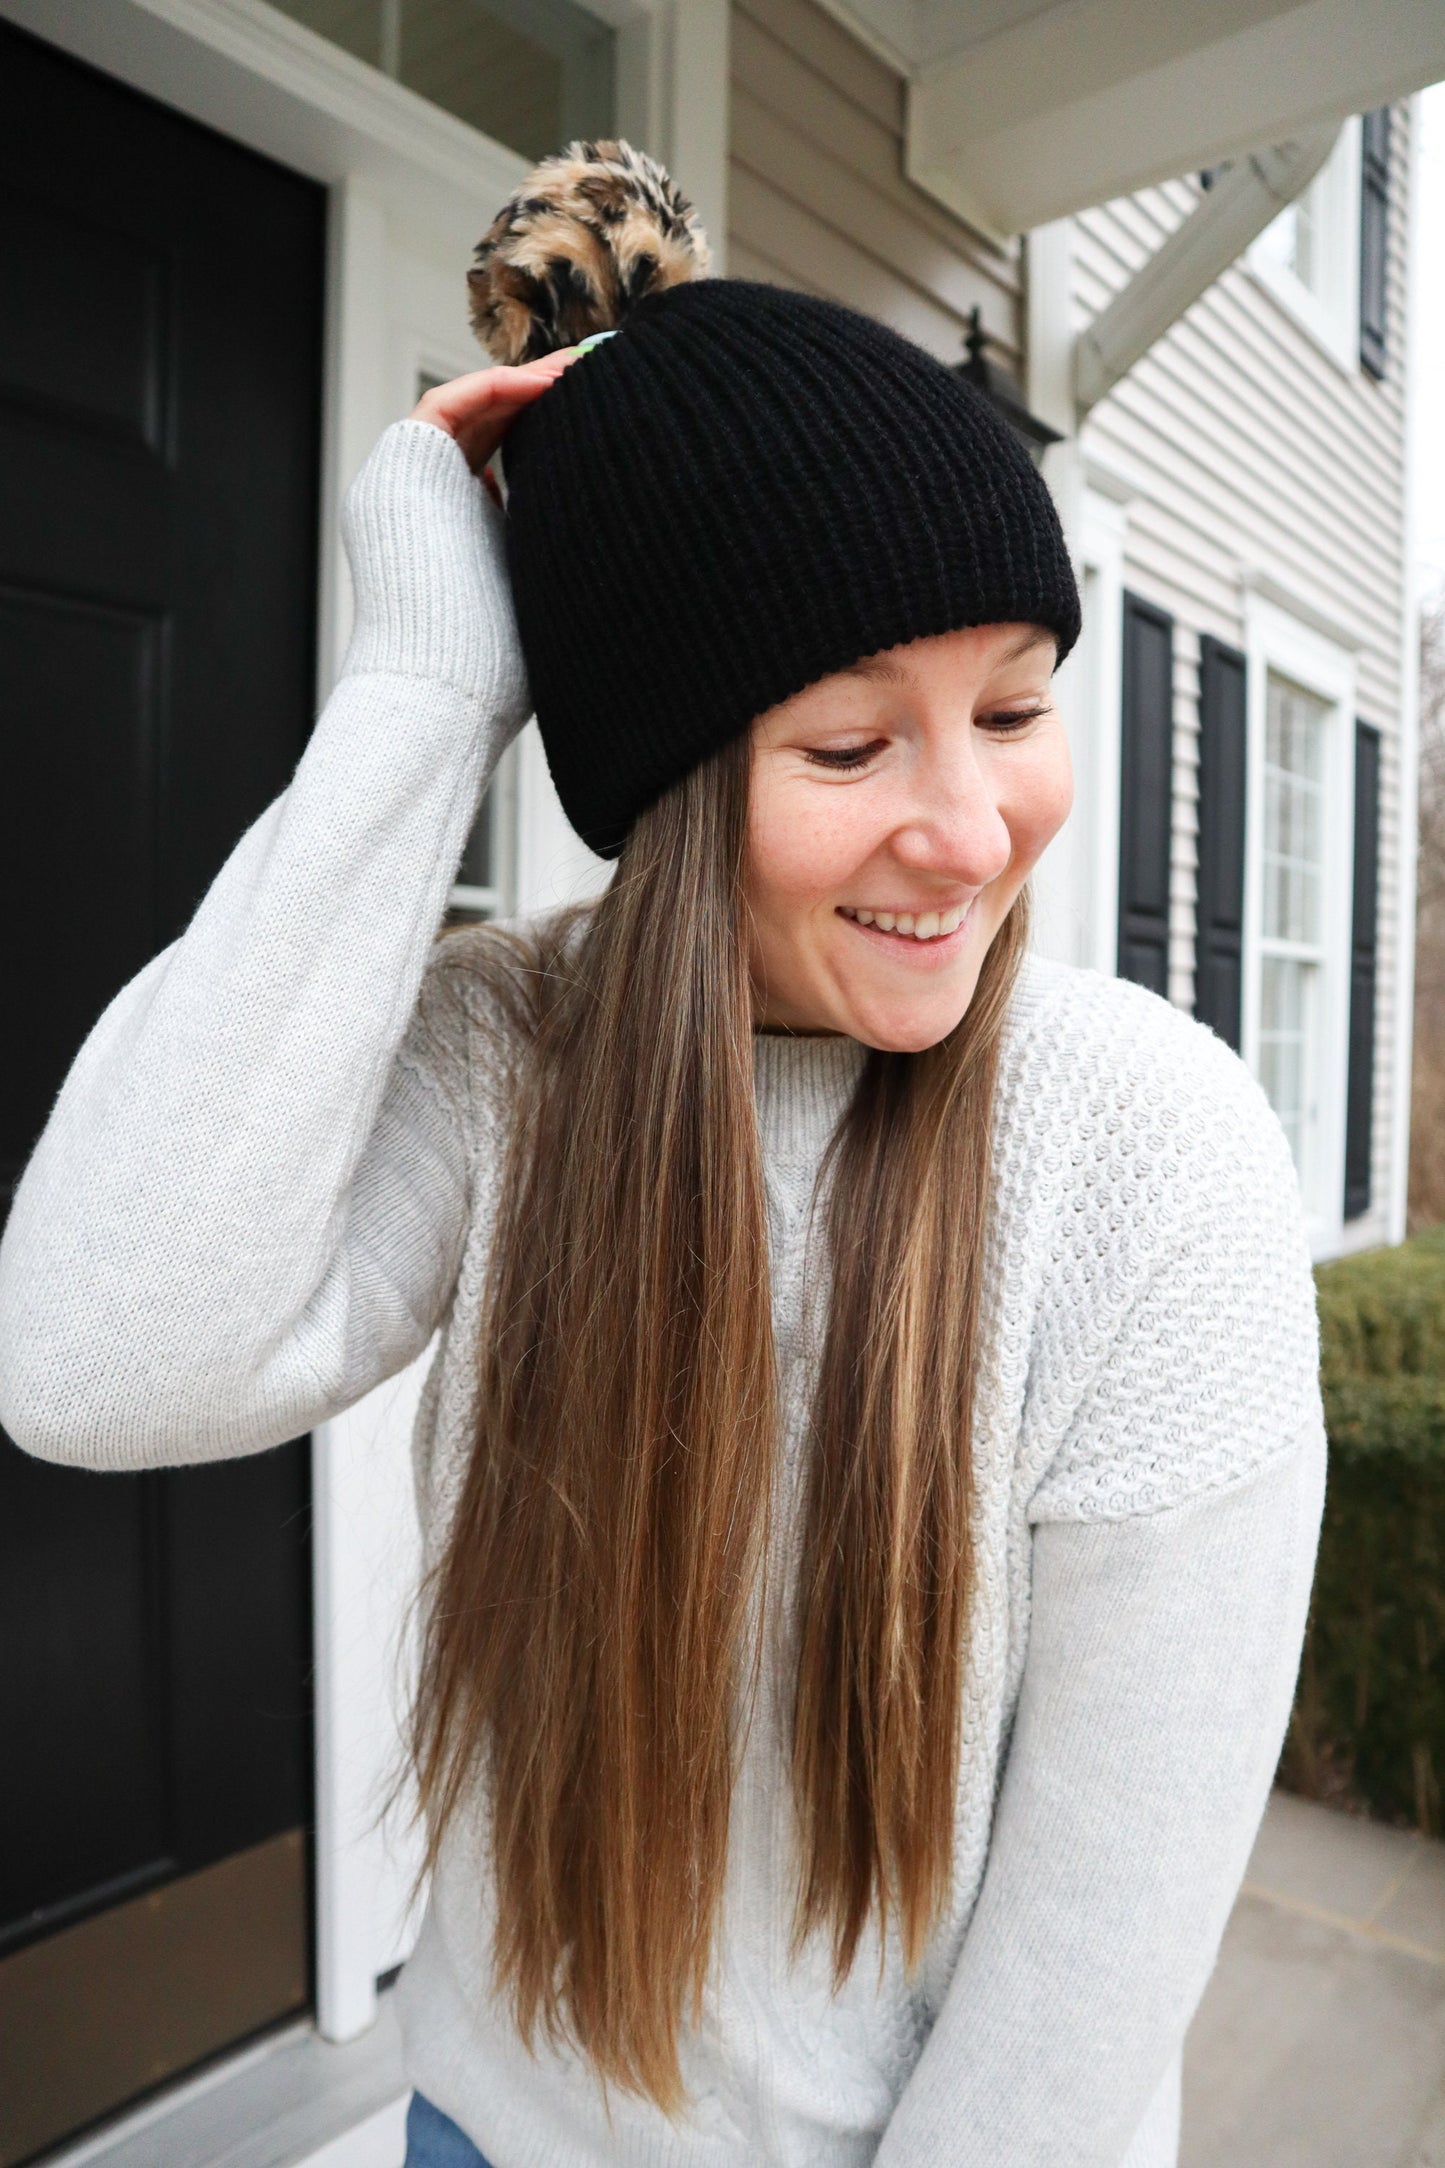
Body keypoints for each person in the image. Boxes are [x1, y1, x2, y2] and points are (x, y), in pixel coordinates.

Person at [0, 142, 1324, 2168]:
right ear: (677, 794)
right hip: (481, 2128)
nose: (970, 830)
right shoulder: (515, 1061)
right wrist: (426, 689)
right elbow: (95, 1351)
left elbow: (1086, 1982)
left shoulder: (1154, 1159)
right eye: (851, 746)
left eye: (1016, 704)